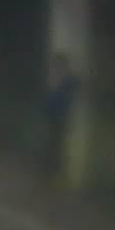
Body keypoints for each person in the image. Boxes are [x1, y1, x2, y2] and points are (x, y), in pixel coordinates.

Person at [41, 52, 80, 183]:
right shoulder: (55, 80)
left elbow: (72, 89)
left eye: (58, 65)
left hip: (60, 118)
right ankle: (49, 173)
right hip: (53, 118)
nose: (56, 68)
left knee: (58, 146)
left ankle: (54, 173)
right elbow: (49, 100)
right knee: (51, 145)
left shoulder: (68, 81)